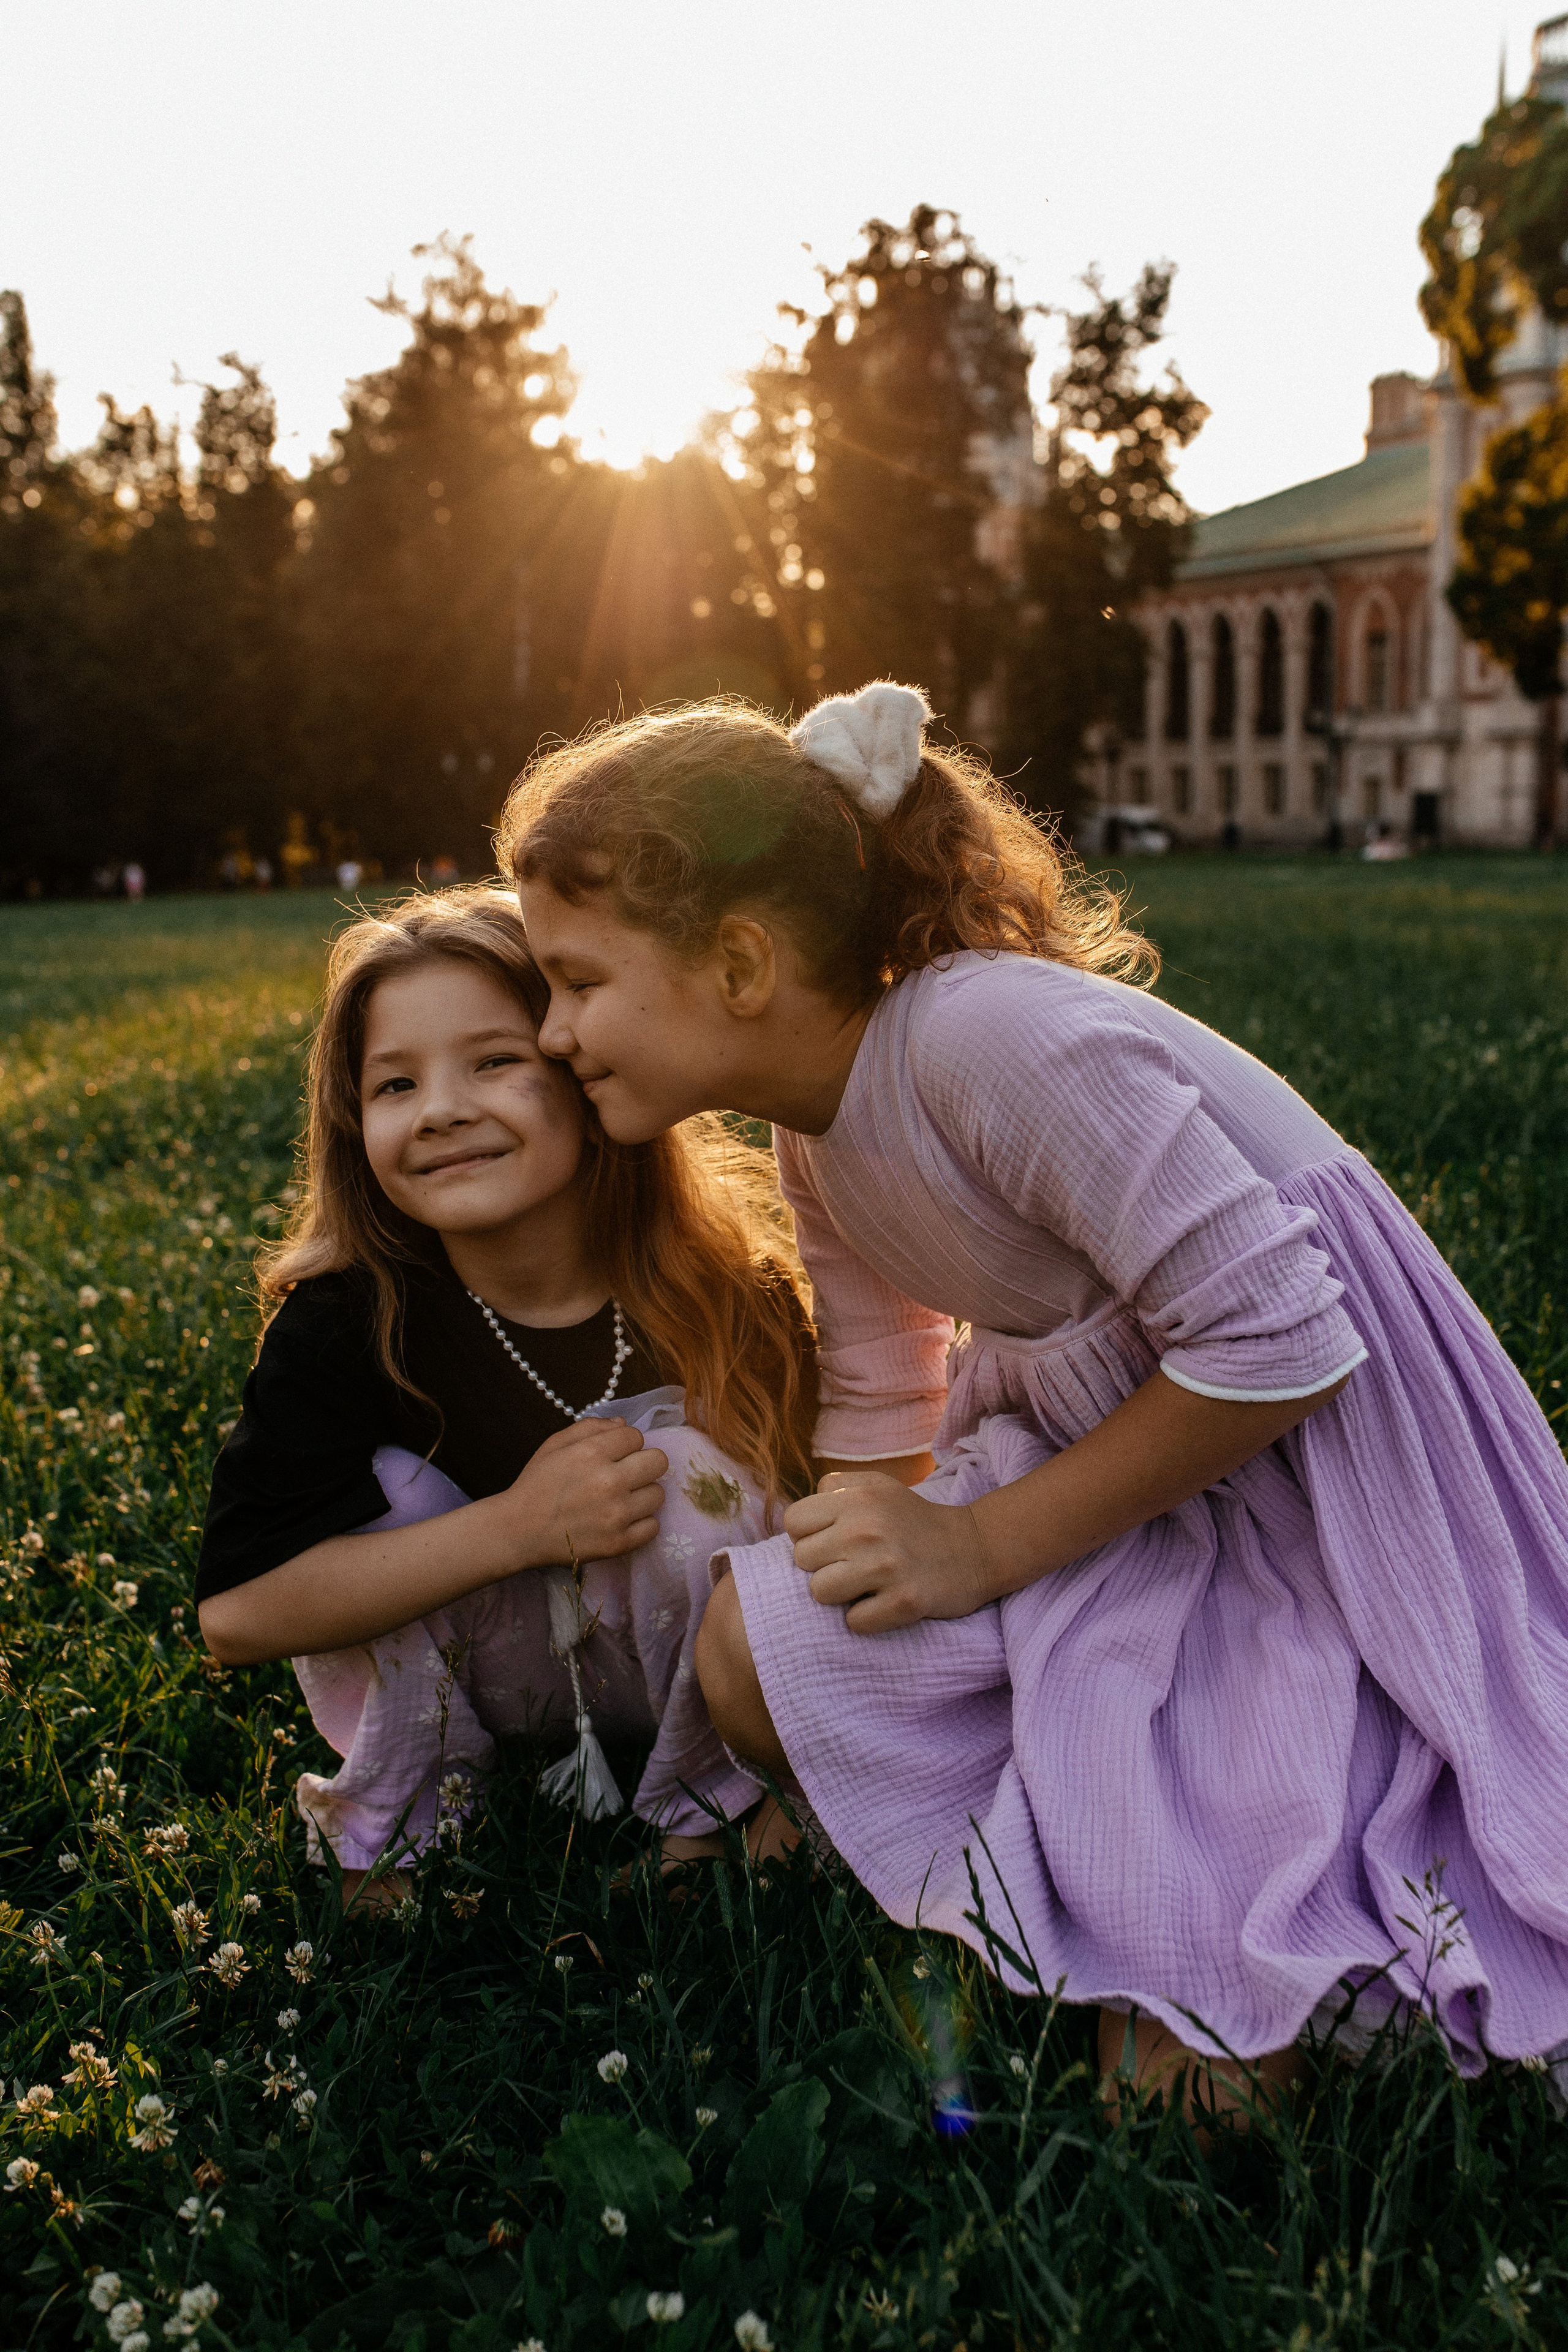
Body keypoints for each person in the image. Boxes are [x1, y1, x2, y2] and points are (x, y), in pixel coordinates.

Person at [501, 682, 1568, 2122]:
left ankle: (1245, 1861)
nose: (551, 1031)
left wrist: (976, 1550)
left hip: (1328, 1508)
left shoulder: (983, 1036)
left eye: (575, 982)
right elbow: (880, 1402)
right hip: (1111, 1498)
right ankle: (1032, 1798)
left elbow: (1280, 1340)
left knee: (1179, 2092)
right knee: (752, 1648)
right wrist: (839, 1607)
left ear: (740, 961)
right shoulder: (818, 1130)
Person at [196, 888, 815, 1907]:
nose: (441, 1108)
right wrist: (517, 1529)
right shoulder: (348, 1320)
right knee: (389, 1492)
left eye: (493, 1062)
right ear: (356, 1124)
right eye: (396, 1083)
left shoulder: (724, 1293)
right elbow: (236, 1614)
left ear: (589, 1073)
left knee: (685, 1472)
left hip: (693, 1669)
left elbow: (824, 1540)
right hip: (489, 1676)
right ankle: (411, 1820)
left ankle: (706, 1822)